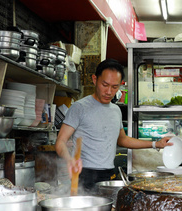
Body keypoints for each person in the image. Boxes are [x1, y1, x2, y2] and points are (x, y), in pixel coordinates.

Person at [55, 59, 172, 193]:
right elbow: (61, 141)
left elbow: (123, 140)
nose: (109, 92)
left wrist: (155, 144)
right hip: (84, 174)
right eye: (105, 85)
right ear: (95, 79)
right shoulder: (79, 107)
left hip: (109, 175)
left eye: (115, 87)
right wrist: (69, 159)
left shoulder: (115, 110)